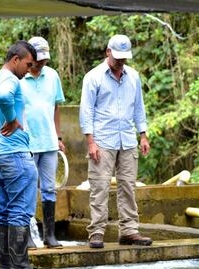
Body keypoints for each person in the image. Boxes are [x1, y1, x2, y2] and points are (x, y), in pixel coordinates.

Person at [0, 41, 47, 269]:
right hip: (15, 154)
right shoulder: (8, 81)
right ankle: (20, 267)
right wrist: (11, 119)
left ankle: (5, 267)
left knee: (0, 210)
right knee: (19, 210)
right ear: (16, 59)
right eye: (28, 64)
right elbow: (4, 97)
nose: (29, 69)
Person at [79, 34, 153, 249]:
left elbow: (138, 106)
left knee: (128, 186)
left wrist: (143, 134)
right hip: (102, 139)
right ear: (108, 52)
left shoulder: (133, 77)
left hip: (128, 138)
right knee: (99, 186)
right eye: (117, 56)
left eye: (124, 57)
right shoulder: (93, 77)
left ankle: (129, 230)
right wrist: (90, 142)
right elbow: (86, 111)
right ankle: (97, 232)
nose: (120, 61)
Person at [20, 36, 65, 249]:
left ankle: (49, 235)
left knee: (49, 189)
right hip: (27, 142)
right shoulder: (19, 77)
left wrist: (58, 136)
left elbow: (56, 107)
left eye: (45, 59)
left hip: (49, 142)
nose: (41, 63)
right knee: (27, 189)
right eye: (38, 59)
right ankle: (28, 237)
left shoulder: (52, 75)